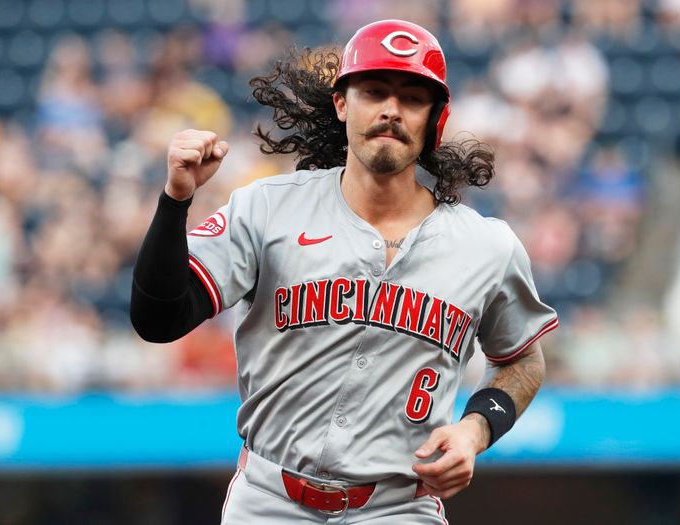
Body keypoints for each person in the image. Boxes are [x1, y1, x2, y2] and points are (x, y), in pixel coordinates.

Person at [131, 19, 558, 524]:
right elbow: (158, 319)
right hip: (269, 500)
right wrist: (176, 199)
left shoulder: (487, 245)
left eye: (413, 98)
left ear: (434, 118)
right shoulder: (267, 209)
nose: (392, 110)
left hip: (400, 506)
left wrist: (475, 429)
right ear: (341, 103)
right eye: (374, 90)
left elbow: (524, 362)